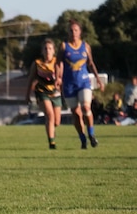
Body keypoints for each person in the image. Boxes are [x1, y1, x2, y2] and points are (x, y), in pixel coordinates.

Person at [58, 19, 104, 149]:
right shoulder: (63, 46)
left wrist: (98, 79)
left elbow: (90, 63)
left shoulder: (85, 46)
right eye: (71, 30)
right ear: (68, 32)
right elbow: (59, 63)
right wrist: (58, 77)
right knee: (76, 113)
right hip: (69, 84)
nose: (73, 32)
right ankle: (83, 139)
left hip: (83, 82)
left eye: (76, 30)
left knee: (86, 108)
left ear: (80, 32)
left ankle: (92, 134)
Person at [25, 39, 62, 149]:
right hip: (42, 92)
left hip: (55, 93)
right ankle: (51, 143)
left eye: (50, 48)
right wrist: (27, 95)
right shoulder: (37, 63)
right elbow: (30, 79)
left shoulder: (57, 62)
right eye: (45, 49)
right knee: (50, 116)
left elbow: (61, 78)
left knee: (56, 121)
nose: (47, 51)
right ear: (42, 51)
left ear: (54, 51)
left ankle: (52, 131)